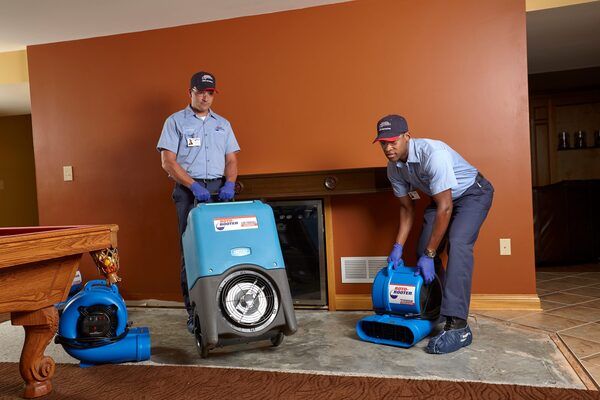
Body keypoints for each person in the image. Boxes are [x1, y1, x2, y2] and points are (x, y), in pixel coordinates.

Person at [373, 114, 493, 354]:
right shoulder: (393, 168)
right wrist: (397, 247)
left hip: (472, 194)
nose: (388, 147)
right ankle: (436, 308)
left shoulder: (432, 154)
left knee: (457, 243)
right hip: (441, 200)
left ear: (407, 136)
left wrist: (430, 254)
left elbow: (446, 207)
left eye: (393, 141)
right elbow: (407, 208)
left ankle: (458, 326)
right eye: (383, 143)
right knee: (420, 250)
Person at [157, 71, 240, 333]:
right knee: (191, 252)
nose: (205, 96)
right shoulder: (175, 122)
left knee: (225, 249)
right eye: (201, 91)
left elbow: (231, 160)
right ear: (190, 92)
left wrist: (228, 184)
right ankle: (194, 313)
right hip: (188, 190)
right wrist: (193, 185)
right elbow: (168, 162)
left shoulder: (223, 124)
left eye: (210, 92)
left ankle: (228, 308)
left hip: (218, 190)